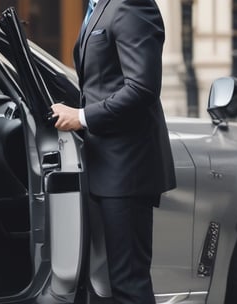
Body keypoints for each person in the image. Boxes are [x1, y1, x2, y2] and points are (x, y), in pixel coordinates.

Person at [50, 0, 176, 303]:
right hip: (105, 165)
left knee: (129, 283)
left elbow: (142, 89)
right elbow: (99, 82)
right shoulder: (99, 6)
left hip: (127, 169)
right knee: (113, 283)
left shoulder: (131, 5)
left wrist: (81, 117)